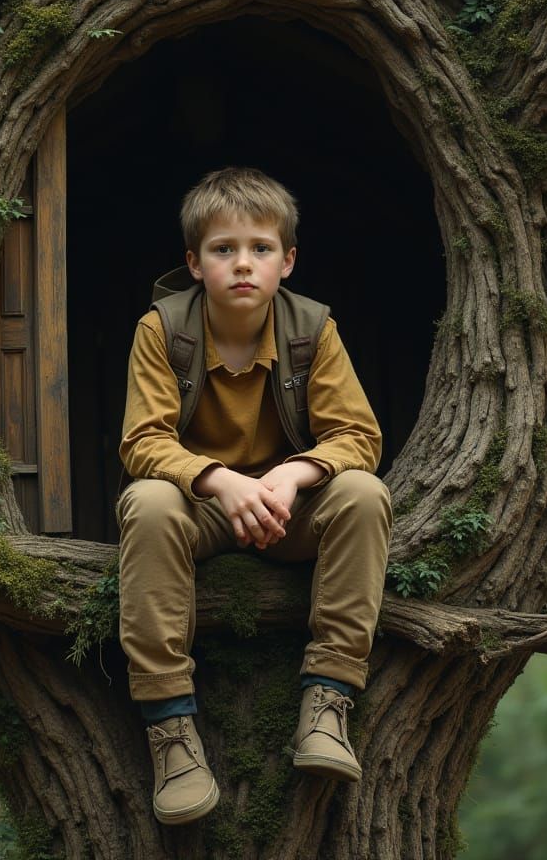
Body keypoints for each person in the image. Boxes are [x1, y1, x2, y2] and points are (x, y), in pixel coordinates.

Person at [116, 165, 392, 825]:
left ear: (287, 261)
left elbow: (358, 435)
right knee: (147, 503)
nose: (243, 264)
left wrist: (290, 478)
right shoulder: (161, 330)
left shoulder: (313, 330)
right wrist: (222, 482)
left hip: (290, 511)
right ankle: (171, 734)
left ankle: (327, 704)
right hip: (204, 509)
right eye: (223, 249)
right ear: (194, 262)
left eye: (260, 249)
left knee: (361, 492)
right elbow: (142, 442)